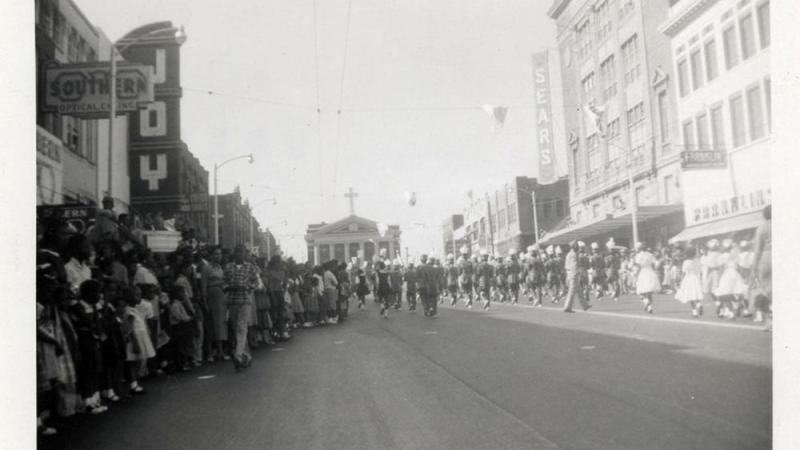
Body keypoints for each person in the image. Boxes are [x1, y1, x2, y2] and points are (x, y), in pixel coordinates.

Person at [224, 245, 260, 370]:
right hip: (232, 300)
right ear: (235, 253)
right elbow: (224, 282)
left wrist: (248, 287)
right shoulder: (228, 267)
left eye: (242, 252)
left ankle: (238, 355)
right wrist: (228, 287)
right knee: (237, 329)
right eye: (237, 252)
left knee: (241, 327)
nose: (240, 254)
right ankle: (247, 356)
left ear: (245, 254)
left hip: (245, 300)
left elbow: (256, 282)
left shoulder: (250, 267)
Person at [202, 247, 229, 360]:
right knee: (211, 326)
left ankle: (220, 351)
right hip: (211, 299)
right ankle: (209, 353)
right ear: (211, 255)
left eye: (220, 254)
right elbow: (203, 285)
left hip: (221, 298)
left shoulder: (220, 268)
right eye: (216, 254)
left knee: (220, 325)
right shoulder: (207, 268)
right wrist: (204, 301)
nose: (218, 256)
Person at [751, 205, 771, 329]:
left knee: (765, 290)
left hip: (766, 258)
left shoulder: (761, 228)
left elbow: (757, 249)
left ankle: (769, 320)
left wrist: (754, 267)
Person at [675, 247, 705, 317]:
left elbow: (684, 272)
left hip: (688, 278)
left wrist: (680, 281)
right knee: (695, 294)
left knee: (690, 295)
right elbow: (700, 271)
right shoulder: (697, 261)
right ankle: (699, 305)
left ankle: (694, 312)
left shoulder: (686, 262)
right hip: (696, 278)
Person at [562, 241, 590, 313]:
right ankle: (567, 307)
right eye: (576, 245)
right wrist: (577, 274)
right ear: (574, 246)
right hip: (573, 274)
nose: (577, 247)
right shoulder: (574, 254)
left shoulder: (569, 254)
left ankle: (585, 305)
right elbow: (574, 266)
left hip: (570, 274)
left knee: (579, 291)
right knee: (571, 291)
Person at [634, 242, 661, 314]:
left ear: (639, 248)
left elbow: (638, 266)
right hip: (650, 272)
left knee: (642, 291)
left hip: (643, 272)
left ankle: (646, 303)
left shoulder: (638, 255)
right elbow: (655, 264)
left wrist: (636, 274)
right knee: (649, 292)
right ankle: (649, 307)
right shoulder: (650, 255)